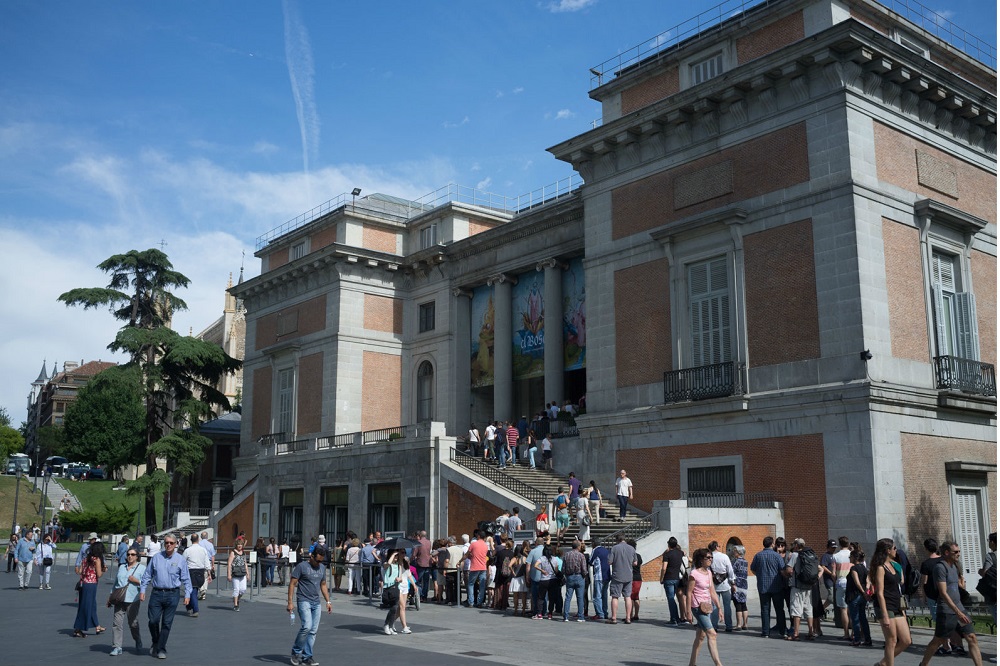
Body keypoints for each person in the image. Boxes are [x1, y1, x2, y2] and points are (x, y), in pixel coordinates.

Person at [919, 540, 984, 666]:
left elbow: (956, 586)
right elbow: (943, 593)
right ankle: (923, 664)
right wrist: (957, 612)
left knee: (971, 637)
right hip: (947, 610)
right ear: (947, 552)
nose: (958, 554)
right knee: (938, 640)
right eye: (956, 552)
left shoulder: (954, 566)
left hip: (959, 608)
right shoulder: (940, 567)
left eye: (959, 551)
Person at [139, 534, 192, 659]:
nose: (168, 545)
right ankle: (156, 641)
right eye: (166, 542)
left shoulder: (180, 559)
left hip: (172, 594)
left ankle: (161, 648)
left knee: (166, 623)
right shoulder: (157, 557)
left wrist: (188, 594)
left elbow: (186, 578)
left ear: (175, 544)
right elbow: (147, 575)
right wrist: (142, 590)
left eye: (171, 543)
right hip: (156, 593)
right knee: (153, 621)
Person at [870, 538, 911, 666]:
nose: (896, 550)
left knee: (906, 640)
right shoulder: (880, 568)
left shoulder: (894, 565)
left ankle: (883, 663)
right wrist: (885, 616)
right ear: (888, 551)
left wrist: (902, 610)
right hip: (885, 606)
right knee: (891, 640)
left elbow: (900, 584)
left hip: (897, 604)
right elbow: (880, 593)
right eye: (894, 548)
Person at [288, 545, 332, 666]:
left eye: (321, 561)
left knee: (313, 631)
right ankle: (296, 652)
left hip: (316, 602)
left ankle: (307, 656)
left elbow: (323, 585)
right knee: (307, 626)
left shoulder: (322, 568)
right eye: (317, 560)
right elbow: (292, 584)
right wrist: (290, 602)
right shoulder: (301, 567)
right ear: (311, 556)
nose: (319, 563)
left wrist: (328, 601)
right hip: (303, 600)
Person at [687, 547, 724, 666]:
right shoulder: (694, 573)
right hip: (697, 607)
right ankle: (719, 664)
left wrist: (719, 607)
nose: (710, 559)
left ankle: (692, 664)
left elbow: (712, 590)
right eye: (708, 557)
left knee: (700, 636)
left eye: (711, 557)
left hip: (707, 606)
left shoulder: (709, 573)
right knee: (712, 634)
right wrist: (688, 612)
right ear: (701, 560)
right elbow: (689, 593)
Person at [109, 548, 145, 655]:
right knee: (117, 623)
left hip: (133, 599)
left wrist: (136, 581)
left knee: (133, 623)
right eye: (128, 554)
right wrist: (110, 596)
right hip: (119, 598)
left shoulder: (142, 568)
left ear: (137, 556)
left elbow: (146, 583)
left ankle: (137, 640)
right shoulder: (122, 567)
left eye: (133, 554)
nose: (130, 556)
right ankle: (117, 646)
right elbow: (116, 583)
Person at [750, 536, 786, 638]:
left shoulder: (758, 555)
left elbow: (753, 569)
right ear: (772, 544)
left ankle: (765, 632)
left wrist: (760, 575)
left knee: (765, 610)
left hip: (763, 586)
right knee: (779, 609)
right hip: (776, 586)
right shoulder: (777, 556)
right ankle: (782, 630)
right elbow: (782, 570)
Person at [73, 540, 106, 638]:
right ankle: (78, 628)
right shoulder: (97, 560)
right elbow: (99, 574)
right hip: (91, 585)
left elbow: (81, 572)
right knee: (86, 607)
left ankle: (97, 625)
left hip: (84, 584)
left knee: (92, 605)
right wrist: (104, 570)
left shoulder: (86, 559)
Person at [607, 534, 637, 624]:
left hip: (617, 575)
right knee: (627, 597)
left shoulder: (614, 548)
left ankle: (614, 618)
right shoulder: (632, 549)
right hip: (628, 575)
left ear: (617, 540)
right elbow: (635, 563)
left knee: (615, 597)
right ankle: (628, 617)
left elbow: (609, 562)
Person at [708, 540, 735, 633]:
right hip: (725, 584)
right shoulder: (724, 556)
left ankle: (714, 625)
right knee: (727, 606)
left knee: (714, 606)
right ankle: (729, 625)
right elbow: (730, 570)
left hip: (713, 585)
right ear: (716, 547)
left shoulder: (709, 557)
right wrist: (732, 581)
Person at [846, 548, 872, 647]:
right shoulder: (864, 568)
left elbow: (856, 582)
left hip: (854, 595)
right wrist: (866, 592)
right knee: (863, 618)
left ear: (854, 557)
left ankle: (856, 639)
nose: (849, 558)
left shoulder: (854, 568)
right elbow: (868, 582)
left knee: (855, 618)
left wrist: (862, 592)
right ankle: (868, 639)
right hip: (862, 597)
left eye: (850, 557)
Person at [182, 533, 210, 618]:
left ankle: (195, 609)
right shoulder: (203, 550)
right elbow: (207, 562)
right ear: (198, 540)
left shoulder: (187, 550)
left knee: (193, 591)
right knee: (194, 590)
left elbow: (183, 562)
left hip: (191, 572)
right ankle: (190, 606)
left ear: (191, 540)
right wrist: (209, 573)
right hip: (200, 572)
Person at [660, 536, 685, 625]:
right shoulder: (680, 553)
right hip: (677, 578)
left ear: (668, 545)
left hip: (668, 578)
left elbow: (664, 568)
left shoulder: (667, 554)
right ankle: (679, 617)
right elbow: (685, 555)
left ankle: (674, 618)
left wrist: (661, 578)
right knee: (675, 598)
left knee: (671, 599)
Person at [562, 538, 587, 622]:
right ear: (578, 547)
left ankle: (565, 616)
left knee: (568, 597)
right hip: (579, 576)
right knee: (580, 597)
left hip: (569, 577)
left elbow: (563, 568)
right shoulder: (581, 555)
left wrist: (566, 575)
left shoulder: (566, 555)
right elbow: (584, 569)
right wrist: (584, 575)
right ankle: (580, 616)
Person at [381, 549, 405, 634]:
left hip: (396, 587)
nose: (396, 557)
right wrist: (393, 554)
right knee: (392, 608)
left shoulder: (399, 565)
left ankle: (390, 625)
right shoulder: (386, 564)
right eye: (395, 556)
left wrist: (399, 579)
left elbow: (401, 578)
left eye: (397, 556)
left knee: (395, 608)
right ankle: (386, 624)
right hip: (388, 587)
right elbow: (387, 565)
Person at [532, 545, 559, 620]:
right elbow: (556, 570)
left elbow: (535, 565)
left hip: (543, 580)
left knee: (541, 597)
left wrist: (542, 570)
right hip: (552, 579)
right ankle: (550, 613)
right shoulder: (554, 559)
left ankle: (539, 613)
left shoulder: (542, 558)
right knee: (551, 597)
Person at [396, 552, 417, 634]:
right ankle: (404, 627)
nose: (403, 554)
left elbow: (409, 575)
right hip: (399, 586)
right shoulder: (396, 564)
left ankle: (389, 622)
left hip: (405, 586)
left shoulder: (405, 563)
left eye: (404, 552)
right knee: (402, 607)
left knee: (401, 608)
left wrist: (414, 585)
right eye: (401, 552)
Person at [979, 532, 997, 626]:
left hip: (994, 593)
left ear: (993, 542)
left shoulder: (991, 556)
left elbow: (985, 573)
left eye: (988, 540)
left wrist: (980, 571)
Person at [731, 544, 749, 631]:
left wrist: (732, 583)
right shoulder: (745, 561)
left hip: (737, 584)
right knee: (744, 604)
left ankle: (738, 624)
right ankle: (745, 624)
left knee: (737, 604)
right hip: (744, 584)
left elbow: (732, 572)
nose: (734, 552)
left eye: (735, 551)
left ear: (738, 552)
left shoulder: (736, 561)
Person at [227, 538, 249, 611]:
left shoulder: (243, 553)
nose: (240, 546)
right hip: (235, 573)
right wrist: (229, 574)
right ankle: (236, 605)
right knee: (236, 589)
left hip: (242, 573)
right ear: (236, 545)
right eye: (238, 544)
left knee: (243, 589)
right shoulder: (233, 552)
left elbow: (245, 563)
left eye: (241, 544)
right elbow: (229, 564)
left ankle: (237, 599)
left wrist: (247, 573)